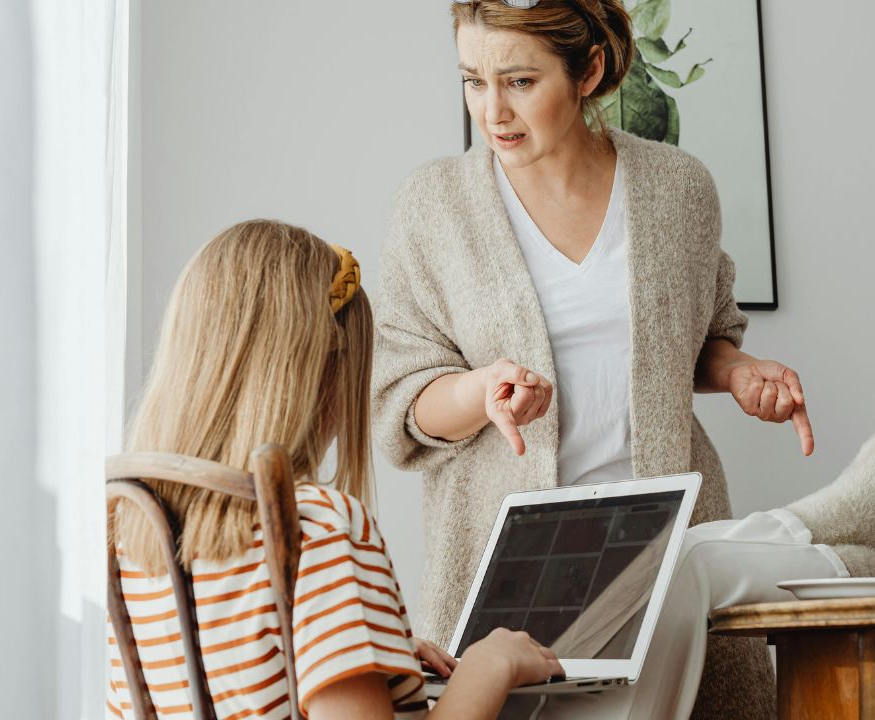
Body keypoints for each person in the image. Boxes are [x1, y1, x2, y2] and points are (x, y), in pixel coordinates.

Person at [370, 1, 821, 715]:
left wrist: (736, 371)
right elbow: (401, 402)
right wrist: (480, 390)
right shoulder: (432, 207)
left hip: (666, 554)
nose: (493, 112)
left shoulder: (680, 189)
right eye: (473, 81)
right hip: (510, 573)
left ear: (591, 71)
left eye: (519, 81)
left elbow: (698, 337)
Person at [105, 220, 564, 720]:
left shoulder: (131, 526)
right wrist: (488, 666)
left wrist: (362, 649)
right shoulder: (315, 527)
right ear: (327, 369)